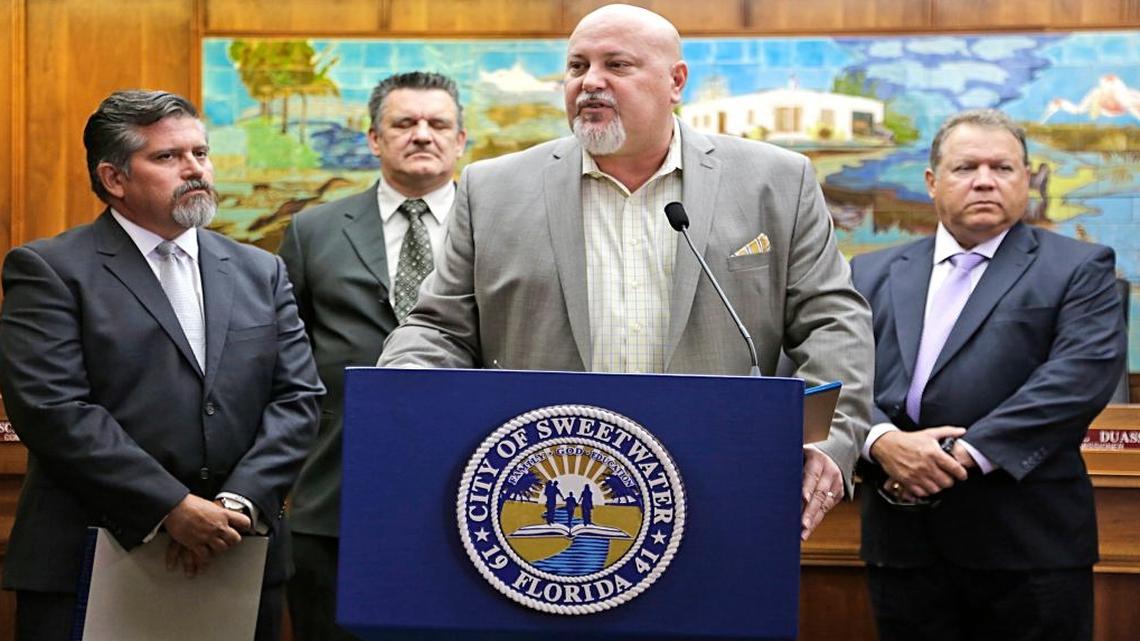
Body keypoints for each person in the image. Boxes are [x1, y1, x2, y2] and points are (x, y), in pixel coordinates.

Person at [378, 4, 873, 540]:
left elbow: (831, 320)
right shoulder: (493, 188)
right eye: (576, 67)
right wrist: (396, 395)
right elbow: (439, 327)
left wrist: (832, 438)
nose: (590, 82)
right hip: (544, 493)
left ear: (675, 81)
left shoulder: (776, 180)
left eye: (616, 65)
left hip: (724, 481)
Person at [0, 90, 323, 641]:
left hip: (238, 551)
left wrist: (235, 504)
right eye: (168, 157)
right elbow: (54, 410)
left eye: (201, 152)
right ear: (114, 177)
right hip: (90, 552)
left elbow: (298, 399)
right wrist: (170, 506)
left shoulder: (260, 271)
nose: (195, 169)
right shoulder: (50, 270)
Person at [850, 108, 1125, 641]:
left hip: (1027, 545)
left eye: (1002, 168)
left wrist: (956, 458)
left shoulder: (1079, 268)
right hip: (903, 539)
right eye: (965, 167)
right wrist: (882, 441)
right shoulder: (870, 272)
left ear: (1027, 179)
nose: (984, 180)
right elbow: (830, 374)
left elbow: (1076, 379)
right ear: (932, 182)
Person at [278, 71, 466, 641]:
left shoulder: (498, 228)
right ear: (374, 139)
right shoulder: (313, 229)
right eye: (404, 123)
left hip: (466, 481)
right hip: (334, 487)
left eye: (438, 124)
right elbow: (286, 357)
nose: (422, 135)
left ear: (461, 141)